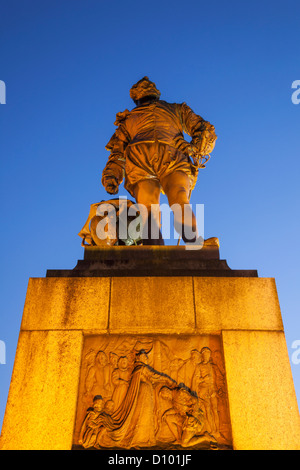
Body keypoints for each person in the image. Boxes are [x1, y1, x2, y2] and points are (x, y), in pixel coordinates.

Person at [102, 77, 216, 245]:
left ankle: (154, 249)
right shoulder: (176, 110)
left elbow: (117, 152)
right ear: (156, 95)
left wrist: (112, 175)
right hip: (172, 155)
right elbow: (205, 128)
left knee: (148, 209)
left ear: (136, 99)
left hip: (140, 158)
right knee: (179, 200)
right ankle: (194, 244)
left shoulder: (128, 120)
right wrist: (195, 147)